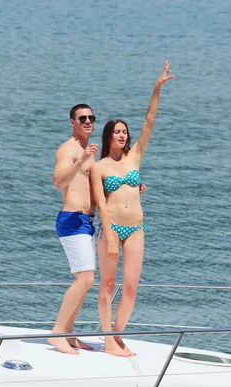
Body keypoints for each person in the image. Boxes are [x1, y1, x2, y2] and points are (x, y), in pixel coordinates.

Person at [89, 61, 174, 357]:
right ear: (108, 136)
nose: (123, 135)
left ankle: (118, 335)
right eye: (118, 132)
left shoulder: (135, 157)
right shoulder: (99, 167)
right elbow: (100, 204)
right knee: (107, 285)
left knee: (130, 289)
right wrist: (111, 235)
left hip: (137, 227)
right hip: (110, 230)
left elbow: (150, 120)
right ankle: (108, 341)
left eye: (125, 131)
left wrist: (156, 89)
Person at [49, 104, 98, 354]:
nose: (88, 121)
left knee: (86, 281)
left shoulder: (86, 150)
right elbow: (58, 181)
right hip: (71, 219)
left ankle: (68, 333)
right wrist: (81, 160)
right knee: (85, 279)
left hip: (86, 222)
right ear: (72, 122)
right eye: (82, 118)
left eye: (91, 118)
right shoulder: (68, 150)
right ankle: (57, 332)